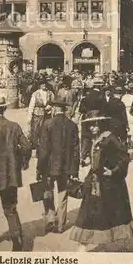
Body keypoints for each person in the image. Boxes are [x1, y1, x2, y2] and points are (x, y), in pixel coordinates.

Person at [70, 110, 133, 251]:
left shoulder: (110, 138)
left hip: (111, 185)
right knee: (88, 213)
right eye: (90, 125)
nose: (92, 128)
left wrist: (113, 171)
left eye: (94, 124)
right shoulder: (96, 139)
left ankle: (120, 245)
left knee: (114, 214)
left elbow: (124, 157)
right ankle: (82, 247)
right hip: (95, 183)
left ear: (101, 124)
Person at [0, 95, 31, 251]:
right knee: (10, 208)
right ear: (4, 109)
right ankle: (17, 240)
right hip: (10, 174)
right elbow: (27, 147)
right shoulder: (14, 126)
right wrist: (24, 162)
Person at [37, 97, 80, 234]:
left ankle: (50, 218)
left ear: (55, 109)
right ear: (64, 109)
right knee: (63, 194)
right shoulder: (72, 125)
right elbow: (76, 150)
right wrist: (75, 170)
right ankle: (61, 225)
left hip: (49, 167)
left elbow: (43, 149)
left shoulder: (47, 123)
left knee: (47, 192)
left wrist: (39, 167)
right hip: (66, 167)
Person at [79, 76, 106, 166]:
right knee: (96, 138)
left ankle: (82, 157)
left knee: (86, 138)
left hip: (87, 118)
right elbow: (105, 109)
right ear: (99, 86)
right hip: (98, 118)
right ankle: (95, 158)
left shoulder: (86, 95)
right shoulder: (101, 96)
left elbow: (81, 109)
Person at [27, 78, 54, 154]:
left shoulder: (50, 93)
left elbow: (54, 103)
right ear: (39, 85)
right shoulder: (35, 94)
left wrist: (50, 106)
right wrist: (29, 116)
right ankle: (36, 148)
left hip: (47, 115)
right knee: (36, 131)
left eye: (45, 84)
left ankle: (45, 148)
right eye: (42, 84)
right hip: (37, 115)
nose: (44, 86)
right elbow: (31, 105)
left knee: (45, 131)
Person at [122, 82, 133, 149]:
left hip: (126, 112)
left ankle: (128, 141)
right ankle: (132, 142)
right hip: (132, 111)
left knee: (127, 126)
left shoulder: (124, 97)